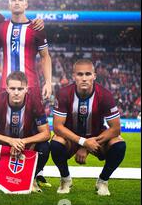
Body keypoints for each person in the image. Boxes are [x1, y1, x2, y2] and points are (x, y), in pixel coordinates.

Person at [0, 0, 52, 187]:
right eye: (13, 0)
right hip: (5, 85)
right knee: (3, 125)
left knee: (33, 128)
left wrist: (48, 82)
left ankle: (33, 172)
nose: (17, 3)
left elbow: (45, 57)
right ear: (9, 4)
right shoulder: (1, 27)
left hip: (32, 85)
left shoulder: (37, 27)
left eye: (20, 0)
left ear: (26, 4)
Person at [50, 59, 126, 196]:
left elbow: (115, 129)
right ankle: (65, 179)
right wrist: (83, 142)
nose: (84, 78)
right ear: (73, 76)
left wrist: (86, 145)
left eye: (87, 74)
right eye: (79, 74)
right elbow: (57, 127)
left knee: (119, 144)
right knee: (55, 143)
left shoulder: (105, 95)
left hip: (96, 138)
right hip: (72, 138)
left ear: (94, 76)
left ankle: (103, 181)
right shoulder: (64, 94)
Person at [0, 71, 50, 192]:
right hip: (2, 144)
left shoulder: (35, 102)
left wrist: (21, 142)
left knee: (45, 147)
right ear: (7, 89)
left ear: (26, 89)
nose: (16, 92)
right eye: (13, 88)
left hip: (26, 145)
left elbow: (46, 133)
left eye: (20, 88)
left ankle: (32, 179)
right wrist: (10, 141)